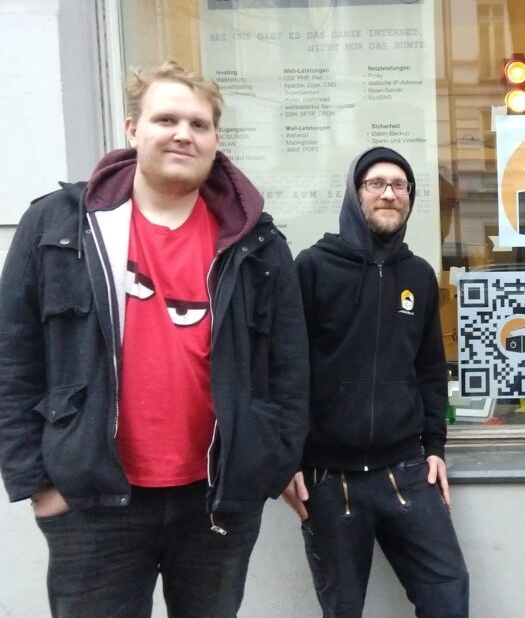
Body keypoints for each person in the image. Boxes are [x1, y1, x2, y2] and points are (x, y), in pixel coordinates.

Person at [0, 61, 309, 618]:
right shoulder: (58, 226)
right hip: (92, 499)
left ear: (216, 140)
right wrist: (38, 483)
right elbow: (13, 359)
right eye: (166, 118)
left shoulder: (256, 245)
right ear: (132, 129)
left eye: (199, 124)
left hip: (214, 502)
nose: (183, 134)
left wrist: (267, 463)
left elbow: (289, 368)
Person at [284, 147, 469, 618]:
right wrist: (288, 458)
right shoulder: (313, 267)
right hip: (329, 480)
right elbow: (286, 368)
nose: (389, 194)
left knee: (448, 594)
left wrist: (434, 449)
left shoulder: (419, 275)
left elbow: (429, 371)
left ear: (410, 197)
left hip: (405, 472)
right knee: (342, 609)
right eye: (375, 184)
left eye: (399, 186)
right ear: (355, 193)